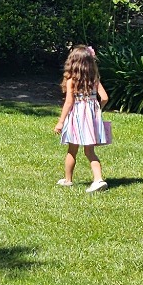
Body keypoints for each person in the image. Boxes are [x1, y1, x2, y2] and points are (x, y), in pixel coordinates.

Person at [55, 45, 111, 191]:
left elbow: (69, 102)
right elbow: (104, 98)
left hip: (76, 118)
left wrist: (60, 122)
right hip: (91, 118)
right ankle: (98, 179)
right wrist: (96, 110)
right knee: (90, 151)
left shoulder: (71, 81)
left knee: (72, 150)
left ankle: (68, 180)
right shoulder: (95, 79)